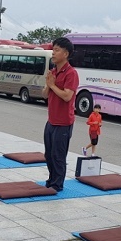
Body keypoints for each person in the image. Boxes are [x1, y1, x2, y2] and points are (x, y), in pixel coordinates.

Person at [42, 37, 79, 192]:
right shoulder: (53, 72)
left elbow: (67, 96)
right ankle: (51, 179)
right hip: (51, 120)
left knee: (58, 155)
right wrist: (49, 85)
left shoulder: (71, 73)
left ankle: (58, 184)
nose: (53, 53)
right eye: (53, 49)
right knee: (48, 154)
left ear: (66, 53)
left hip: (64, 122)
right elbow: (44, 94)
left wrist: (52, 85)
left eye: (57, 50)